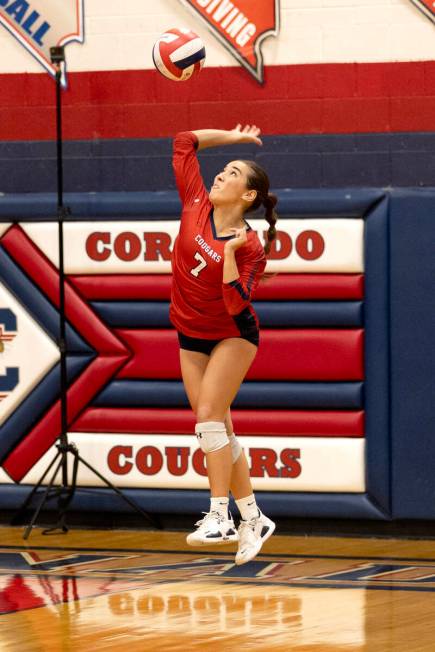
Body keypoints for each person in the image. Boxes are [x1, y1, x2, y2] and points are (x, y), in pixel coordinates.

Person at [170, 124, 278, 565]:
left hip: (233, 334)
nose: (219, 175)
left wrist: (230, 256)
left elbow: (236, 305)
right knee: (218, 431)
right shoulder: (195, 202)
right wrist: (234, 137)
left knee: (210, 419)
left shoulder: (251, 246)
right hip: (189, 330)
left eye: (231, 173)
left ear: (247, 195)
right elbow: (184, 140)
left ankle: (220, 516)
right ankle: (253, 517)